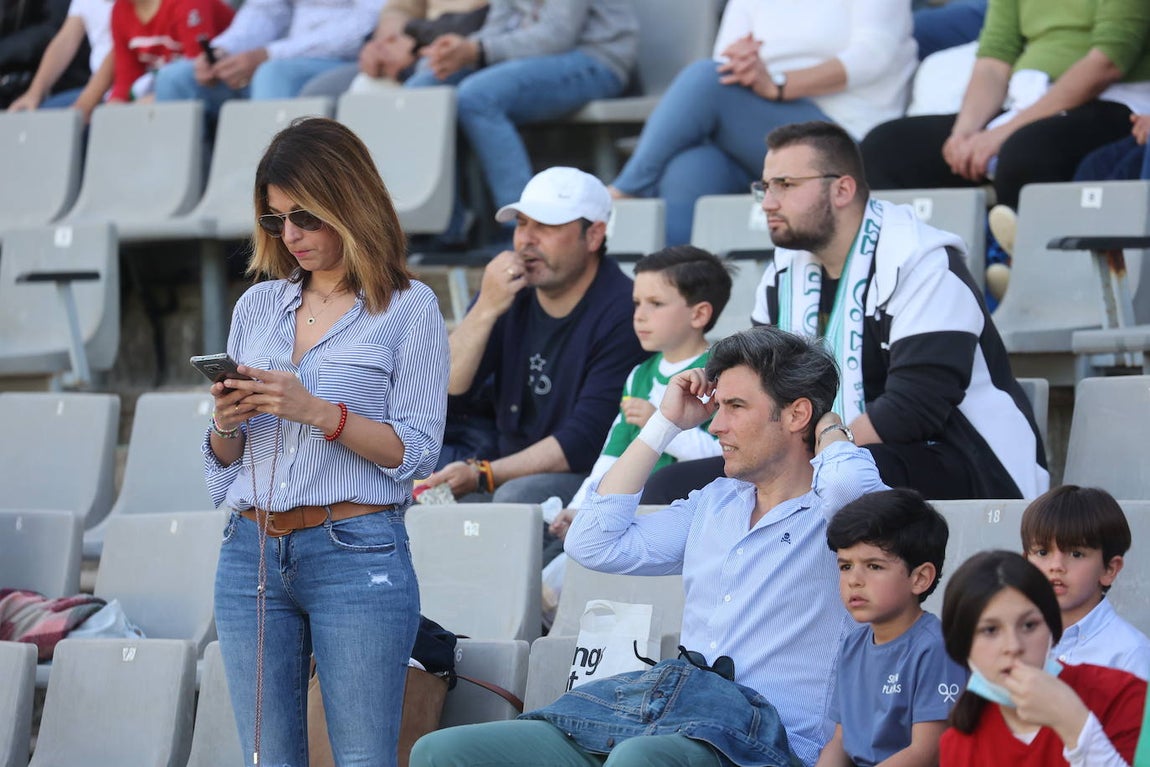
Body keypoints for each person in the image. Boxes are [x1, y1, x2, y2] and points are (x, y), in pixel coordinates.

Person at [410, 326, 889, 767]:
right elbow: (592, 542)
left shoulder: (839, 511)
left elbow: (852, 490)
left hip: (765, 744)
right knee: (446, 751)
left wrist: (829, 426)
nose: (716, 426)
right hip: (666, 716)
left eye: (735, 408)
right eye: (716, 407)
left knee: (639, 760)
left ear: (797, 413)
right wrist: (665, 423)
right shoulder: (716, 502)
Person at [201, 117, 448, 767]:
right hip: (249, 548)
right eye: (275, 217)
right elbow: (226, 462)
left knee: (364, 757)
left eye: (305, 215)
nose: (291, 235)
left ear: (349, 200)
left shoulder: (409, 306)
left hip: (356, 548)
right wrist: (227, 420)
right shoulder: (257, 307)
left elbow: (418, 452)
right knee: (266, 758)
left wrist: (319, 411)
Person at [642, 120, 1048, 504]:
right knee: (670, 488)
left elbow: (914, 408)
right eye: (764, 186)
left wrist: (816, 455)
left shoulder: (921, 262)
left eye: (784, 184)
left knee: (842, 480)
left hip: (961, 463)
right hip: (822, 456)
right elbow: (759, 383)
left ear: (842, 190)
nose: (768, 202)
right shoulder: (784, 272)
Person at [421, 166, 647, 506]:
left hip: (589, 476)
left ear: (594, 235)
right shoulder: (507, 293)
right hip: (498, 457)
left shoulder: (625, 311)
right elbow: (443, 392)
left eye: (546, 226)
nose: (526, 239)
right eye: (522, 224)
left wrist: (486, 474)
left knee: (514, 497)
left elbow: (581, 442)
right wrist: (485, 307)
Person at [607, 0, 917, 246]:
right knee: (693, 165)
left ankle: (624, 191)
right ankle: (683, 293)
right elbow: (726, 62)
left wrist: (779, 84)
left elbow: (875, 55)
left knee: (705, 79)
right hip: (758, 130)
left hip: (845, 128)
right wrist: (744, 64)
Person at [542, 245, 730, 619]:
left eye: (656, 304)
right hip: (623, 505)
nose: (640, 316)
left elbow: (723, 453)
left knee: (555, 586)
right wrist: (581, 504)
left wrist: (661, 424)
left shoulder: (720, 369)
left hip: (675, 511)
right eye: (636, 302)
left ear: (699, 313)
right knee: (550, 550)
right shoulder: (640, 374)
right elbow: (613, 453)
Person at [861, 0, 1150, 215]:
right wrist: (963, 135)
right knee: (886, 147)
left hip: (1114, 103)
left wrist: (1001, 134)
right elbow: (994, 60)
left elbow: (1107, 62)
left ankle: (1012, 264)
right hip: (1028, 104)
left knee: (1026, 151)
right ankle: (918, 272)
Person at [403, 0, 638, 244]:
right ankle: (445, 227)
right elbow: (497, 27)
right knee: (421, 88)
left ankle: (520, 230)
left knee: (478, 97)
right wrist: (444, 56)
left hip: (596, 58)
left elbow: (557, 35)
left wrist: (477, 50)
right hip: (530, 58)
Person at [938, 550, 1147, 766]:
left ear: (1052, 630)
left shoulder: (1121, 694)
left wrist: (1075, 724)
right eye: (990, 630)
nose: (1014, 646)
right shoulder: (957, 745)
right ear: (962, 645)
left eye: (1029, 625)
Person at [817, 488, 968, 767]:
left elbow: (927, 752)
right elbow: (840, 742)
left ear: (920, 578)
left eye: (873, 566)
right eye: (846, 566)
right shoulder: (853, 645)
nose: (854, 580)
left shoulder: (936, 647)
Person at [152, 0, 380, 118]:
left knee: (273, 74)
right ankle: (165, 195)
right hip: (278, 58)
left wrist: (269, 54)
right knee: (175, 78)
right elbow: (264, 11)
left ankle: (270, 196)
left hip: (347, 60)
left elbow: (365, 25)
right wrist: (224, 50)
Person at [1020, 484, 1150, 681]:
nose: (1056, 566)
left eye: (1076, 554)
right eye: (1043, 552)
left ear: (1109, 569)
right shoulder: (1013, 641)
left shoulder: (1130, 654)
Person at [298, 0, 488, 96]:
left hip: (462, 47)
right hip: (413, 40)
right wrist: (388, 45)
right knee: (318, 91)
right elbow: (398, 8)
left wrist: (415, 48)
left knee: (369, 91)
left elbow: (490, 19)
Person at [97, 0, 232, 104]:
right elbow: (125, 82)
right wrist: (112, 114)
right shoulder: (120, 9)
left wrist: (136, 108)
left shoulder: (187, 2)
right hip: (171, 96)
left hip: (226, 88)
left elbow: (196, 75)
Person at [6, 0, 111, 111]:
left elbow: (118, 52)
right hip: (97, 93)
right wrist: (34, 93)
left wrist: (88, 100)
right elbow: (65, 41)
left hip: (120, 93)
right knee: (29, 119)